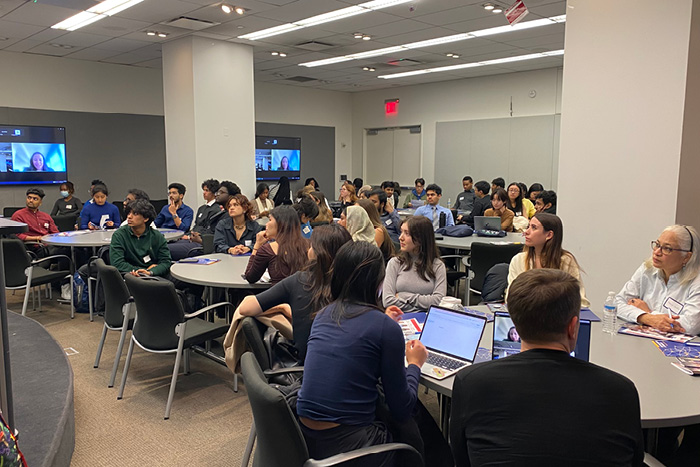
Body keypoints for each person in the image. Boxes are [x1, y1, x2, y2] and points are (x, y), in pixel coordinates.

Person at [450, 269, 645, 467]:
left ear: (515, 325)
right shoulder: (621, 390)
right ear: (572, 326)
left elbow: (462, 458)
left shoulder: (471, 382)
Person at [296, 241, 428, 463]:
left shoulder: (323, 314)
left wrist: (382, 323)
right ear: (377, 281)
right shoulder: (385, 328)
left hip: (303, 436)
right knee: (416, 427)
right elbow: (402, 408)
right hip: (348, 447)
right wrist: (415, 364)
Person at [236, 223, 352, 361]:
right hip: (351, 366)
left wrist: (283, 307)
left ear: (316, 252)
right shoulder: (355, 283)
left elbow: (245, 308)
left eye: (311, 246)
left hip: (308, 367)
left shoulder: (300, 281)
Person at [616, 225, 700, 335]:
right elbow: (617, 303)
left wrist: (649, 314)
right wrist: (647, 318)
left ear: (686, 257)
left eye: (667, 249)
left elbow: (691, 326)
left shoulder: (696, 282)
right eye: (657, 245)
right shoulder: (647, 269)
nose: (657, 252)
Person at [507, 213, 590, 306]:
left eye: (534, 228)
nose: (526, 232)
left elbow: (580, 300)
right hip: (526, 315)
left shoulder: (566, 260)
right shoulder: (518, 260)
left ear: (549, 235)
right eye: (528, 226)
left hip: (558, 317)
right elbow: (511, 297)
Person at [383, 216, 446, 313]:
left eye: (407, 233)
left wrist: (404, 296)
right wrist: (421, 309)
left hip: (427, 321)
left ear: (420, 239)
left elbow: (438, 301)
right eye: (401, 232)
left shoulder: (437, 266)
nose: (400, 238)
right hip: (401, 318)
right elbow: (387, 301)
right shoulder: (395, 263)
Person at [244, 206, 308, 285]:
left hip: (280, 296)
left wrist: (257, 245)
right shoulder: (309, 246)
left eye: (270, 220)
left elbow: (250, 277)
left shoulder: (267, 250)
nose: (266, 224)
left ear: (280, 223)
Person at [109, 199, 172, 277]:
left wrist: (151, 272)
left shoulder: (157, 236)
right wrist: (141, 271)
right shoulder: (119, 235)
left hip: (152, 277)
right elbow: (117, 263)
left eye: (135, 214)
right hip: (128, 276)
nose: (129, 216)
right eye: (128, 213)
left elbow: (166, 262)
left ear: (146, 218)